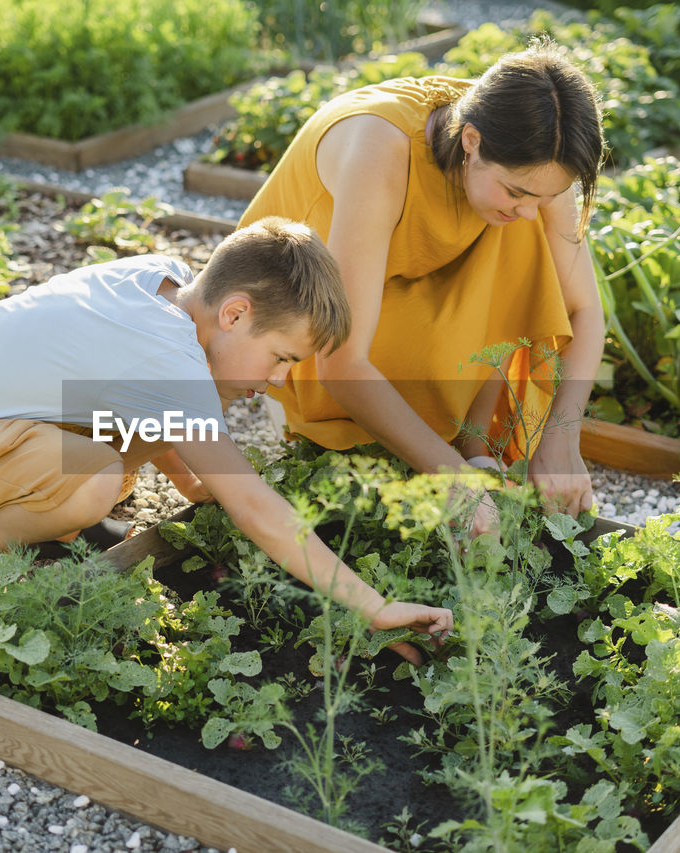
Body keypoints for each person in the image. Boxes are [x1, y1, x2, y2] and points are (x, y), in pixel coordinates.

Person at [0, 216, 452, 662]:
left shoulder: (169, 284)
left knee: (110, 468)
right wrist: (374, 606)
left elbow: (138, 395)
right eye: (281, 357)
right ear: (235, 313)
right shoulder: (169, 360)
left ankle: (50, 515)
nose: (278, 379)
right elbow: (255, 507)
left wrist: (189, 478)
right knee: (97, 482)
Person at [239, 40, 606, 535]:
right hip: (306, 329)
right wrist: (455, 483)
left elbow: (585, 310)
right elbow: (342, 361)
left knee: (524, 231)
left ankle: (474, 446)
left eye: (546, 196)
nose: (528, 207)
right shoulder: (382, 149)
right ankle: (454, 459)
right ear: (471, 140)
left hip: (413, 318)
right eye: (516, 191)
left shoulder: (538, 162)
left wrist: (562, 437)